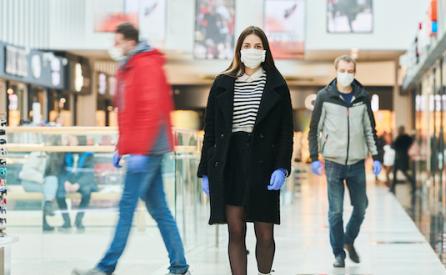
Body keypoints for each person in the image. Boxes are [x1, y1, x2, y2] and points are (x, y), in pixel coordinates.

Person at [73, 23, 190, 275]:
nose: (115, 47)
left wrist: (138, 150)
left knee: (127, 206)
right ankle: (180, 266)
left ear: (129, 41)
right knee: (159, 209)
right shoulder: (128, 66)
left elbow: (150, 110)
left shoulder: (145, 64)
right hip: (143, 148)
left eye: (117, 41)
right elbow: (127, 112)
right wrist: (121, 147)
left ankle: (105, 267)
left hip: (148, 150)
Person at [197, 26, 293, 275]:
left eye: (258, 46)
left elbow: (285, 131)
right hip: (230, 162)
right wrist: (205, 171)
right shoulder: (222, 82)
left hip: (263, 162)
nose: (252, 50)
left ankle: (264, 272)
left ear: (265, 51)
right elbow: (210, 130)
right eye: (247, 45)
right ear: (239, 49)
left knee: (265, 232)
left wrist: (282, 166)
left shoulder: (277, 84)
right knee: (235, 230)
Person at [308, 55, 382, 268]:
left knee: (361, 207)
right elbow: (315, 130)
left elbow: (370, 129)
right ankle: (338, 253)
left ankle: (348, 239)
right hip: (333, 162)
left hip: (357, 163)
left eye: (350, 71)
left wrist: (376, 157)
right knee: (336, 211)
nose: (346, 74)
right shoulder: (325, 96)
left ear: (354, 72)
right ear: (336, 70)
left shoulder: (362, 97)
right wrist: (314, 157)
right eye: (343, 70)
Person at [56, 135, 97, 232]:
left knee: (87, 192)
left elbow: (89, 173)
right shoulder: (65, 153)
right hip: (68, 181)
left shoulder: (88, 154)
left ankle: (79, 220)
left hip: (82, 181)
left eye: (72, 140)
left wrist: (78, 184)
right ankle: (66, 221)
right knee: (59, 194)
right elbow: (60, 170)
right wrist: (65, 182)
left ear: (79, 142)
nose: (69, 142)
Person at [391, 126, 415, 193]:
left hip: (400, 157)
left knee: (402, 172)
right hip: (403, 157)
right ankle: (392, 187)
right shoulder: (406, 138)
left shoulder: (400, 138)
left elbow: (393, 145)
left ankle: (413, 184)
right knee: (397, 172)